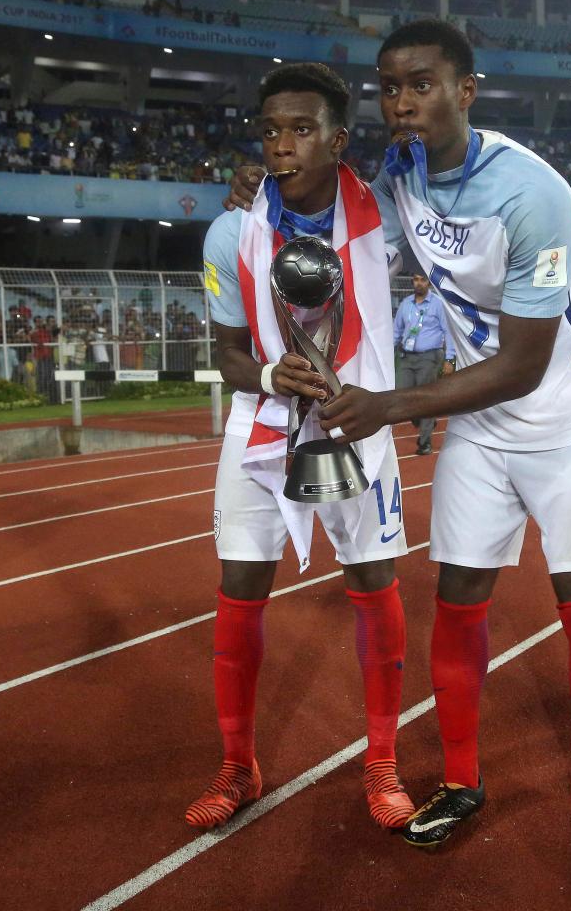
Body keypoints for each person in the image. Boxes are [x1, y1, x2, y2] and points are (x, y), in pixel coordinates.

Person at [224, 27, 571, 890]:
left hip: (562, 420)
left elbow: (521, 363)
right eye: (390, 88)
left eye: (423, 85)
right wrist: (265, 186)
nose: (403, 103)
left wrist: (389, 407)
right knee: (458, 603)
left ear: (466, 90)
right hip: (478, 425)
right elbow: (324, 177)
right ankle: (463, 782)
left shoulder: (532, 193)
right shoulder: (400, 174)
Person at [186, 62, 414, 836]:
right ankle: (237, 763)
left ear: (338, 139)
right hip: (263, 423)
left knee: (375, 583)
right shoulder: (232, 229)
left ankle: (382, 760)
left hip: (358, 419)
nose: (283, 145)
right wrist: (272, 376)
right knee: (239, 591)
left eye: (302, 129)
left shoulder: (385, 214)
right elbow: (225, 354)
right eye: (272, 130)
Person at [394, 270, 455, 454]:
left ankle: (424, 442)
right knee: (402, 396)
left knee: (424, 399)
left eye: (422, 280)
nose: (418, 283)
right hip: (406, 357)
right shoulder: (406, 304)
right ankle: (423, 419)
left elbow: (448, 331)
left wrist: (450, 357)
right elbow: (396, 331)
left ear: (428, 283)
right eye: (415, 279)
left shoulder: (438, 305)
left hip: (429, 357)